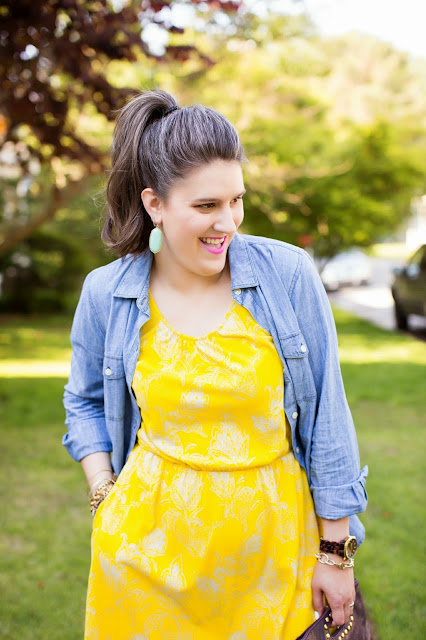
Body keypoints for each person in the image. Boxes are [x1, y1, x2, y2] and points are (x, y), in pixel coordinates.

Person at [63, 89, 368, 640]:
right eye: (206, 206)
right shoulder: (107, 293)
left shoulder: (287, 275)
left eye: (236, 200)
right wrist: (105, 492)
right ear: (154, 204)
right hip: (144, 561)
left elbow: (328, 414)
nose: (228, 222)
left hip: (275, 555)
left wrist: (334, 552)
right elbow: (82, 400)